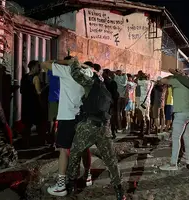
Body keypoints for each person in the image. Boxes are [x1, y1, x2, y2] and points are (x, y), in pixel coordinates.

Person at [66, 61, 126, 200]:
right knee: (111, 160)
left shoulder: (91, 82)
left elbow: (74, 73)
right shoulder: (106, 86)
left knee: (74, 154)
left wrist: (75, 62)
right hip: (104, 127)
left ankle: (71, 184)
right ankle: (119, 189)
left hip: (89, 126)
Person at [40, 58, 92, 197]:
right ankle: (87, 176)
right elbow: (87, 66)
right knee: (84, 147)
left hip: (67, 116)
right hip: (83, 116)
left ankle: (61, 186)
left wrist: (62, 62)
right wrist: (77, 63)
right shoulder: (87, 71)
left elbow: (44, 64)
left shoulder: (66, 70)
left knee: (64, 150)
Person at [157, 76, 189, 170]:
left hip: (181, 114)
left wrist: (172, 75)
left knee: (175, 138)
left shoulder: (177, 81)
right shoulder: (188, 83)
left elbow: (162, 81)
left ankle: (173, 164)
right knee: (186, 136)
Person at [20, 61, 46, 148]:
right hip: (35, 104)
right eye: (38, 67)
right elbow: (39, 92)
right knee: (40, 124)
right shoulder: (36, 78)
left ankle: (25, 142)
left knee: (27, 125)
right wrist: (45, 88)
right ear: (34, 67)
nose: (40, 69)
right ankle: (41, 142)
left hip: (26, 104)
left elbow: (21, 91)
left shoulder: (24, 77)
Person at [103, 69, 119, 138]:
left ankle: (110, 132)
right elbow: (115, 94)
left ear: (107, 74)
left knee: (107, 119)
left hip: (106, 103)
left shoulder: (103, 82)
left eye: (103, 73)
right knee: (111, 118)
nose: (102, 75)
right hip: (111, 103)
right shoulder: (113, 82)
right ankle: (112, 132)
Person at [47, 64, 60, 144]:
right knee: (57, 121)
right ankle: (54, 140)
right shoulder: (62, 74)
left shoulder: (51, 71)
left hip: (52, 98)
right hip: (58, 99)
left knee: (52, 120)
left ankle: (51, 140)